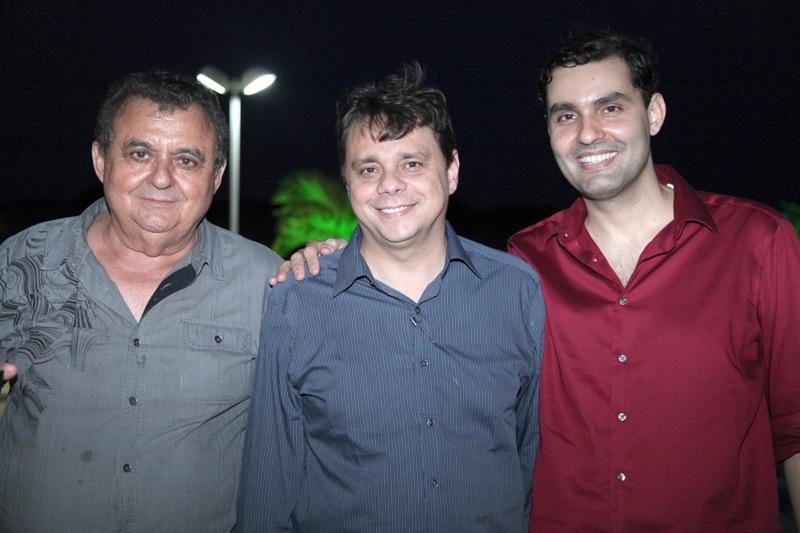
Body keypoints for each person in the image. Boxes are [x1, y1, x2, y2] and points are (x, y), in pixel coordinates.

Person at [277, 30, 800, 532]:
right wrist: (343, 255)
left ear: (654, 113)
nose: (588, 133)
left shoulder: (758, 244)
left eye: (610, 108)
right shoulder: (525, 265)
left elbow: (795, 430)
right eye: (566, 115)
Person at [235, 62, 545, 532]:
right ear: (348, 183)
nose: (389, 185)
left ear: (452, 170)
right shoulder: (296, 302)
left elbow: (534, 455)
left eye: (412, 163)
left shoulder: (517, 291)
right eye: (368, 168)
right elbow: (269, 484)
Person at [0, 70, 282, 533]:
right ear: (100, 159)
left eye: (187, 160)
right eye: (140, 154)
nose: (162, 178)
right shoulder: (20, 263)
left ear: (216, 176)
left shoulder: (267, 282)